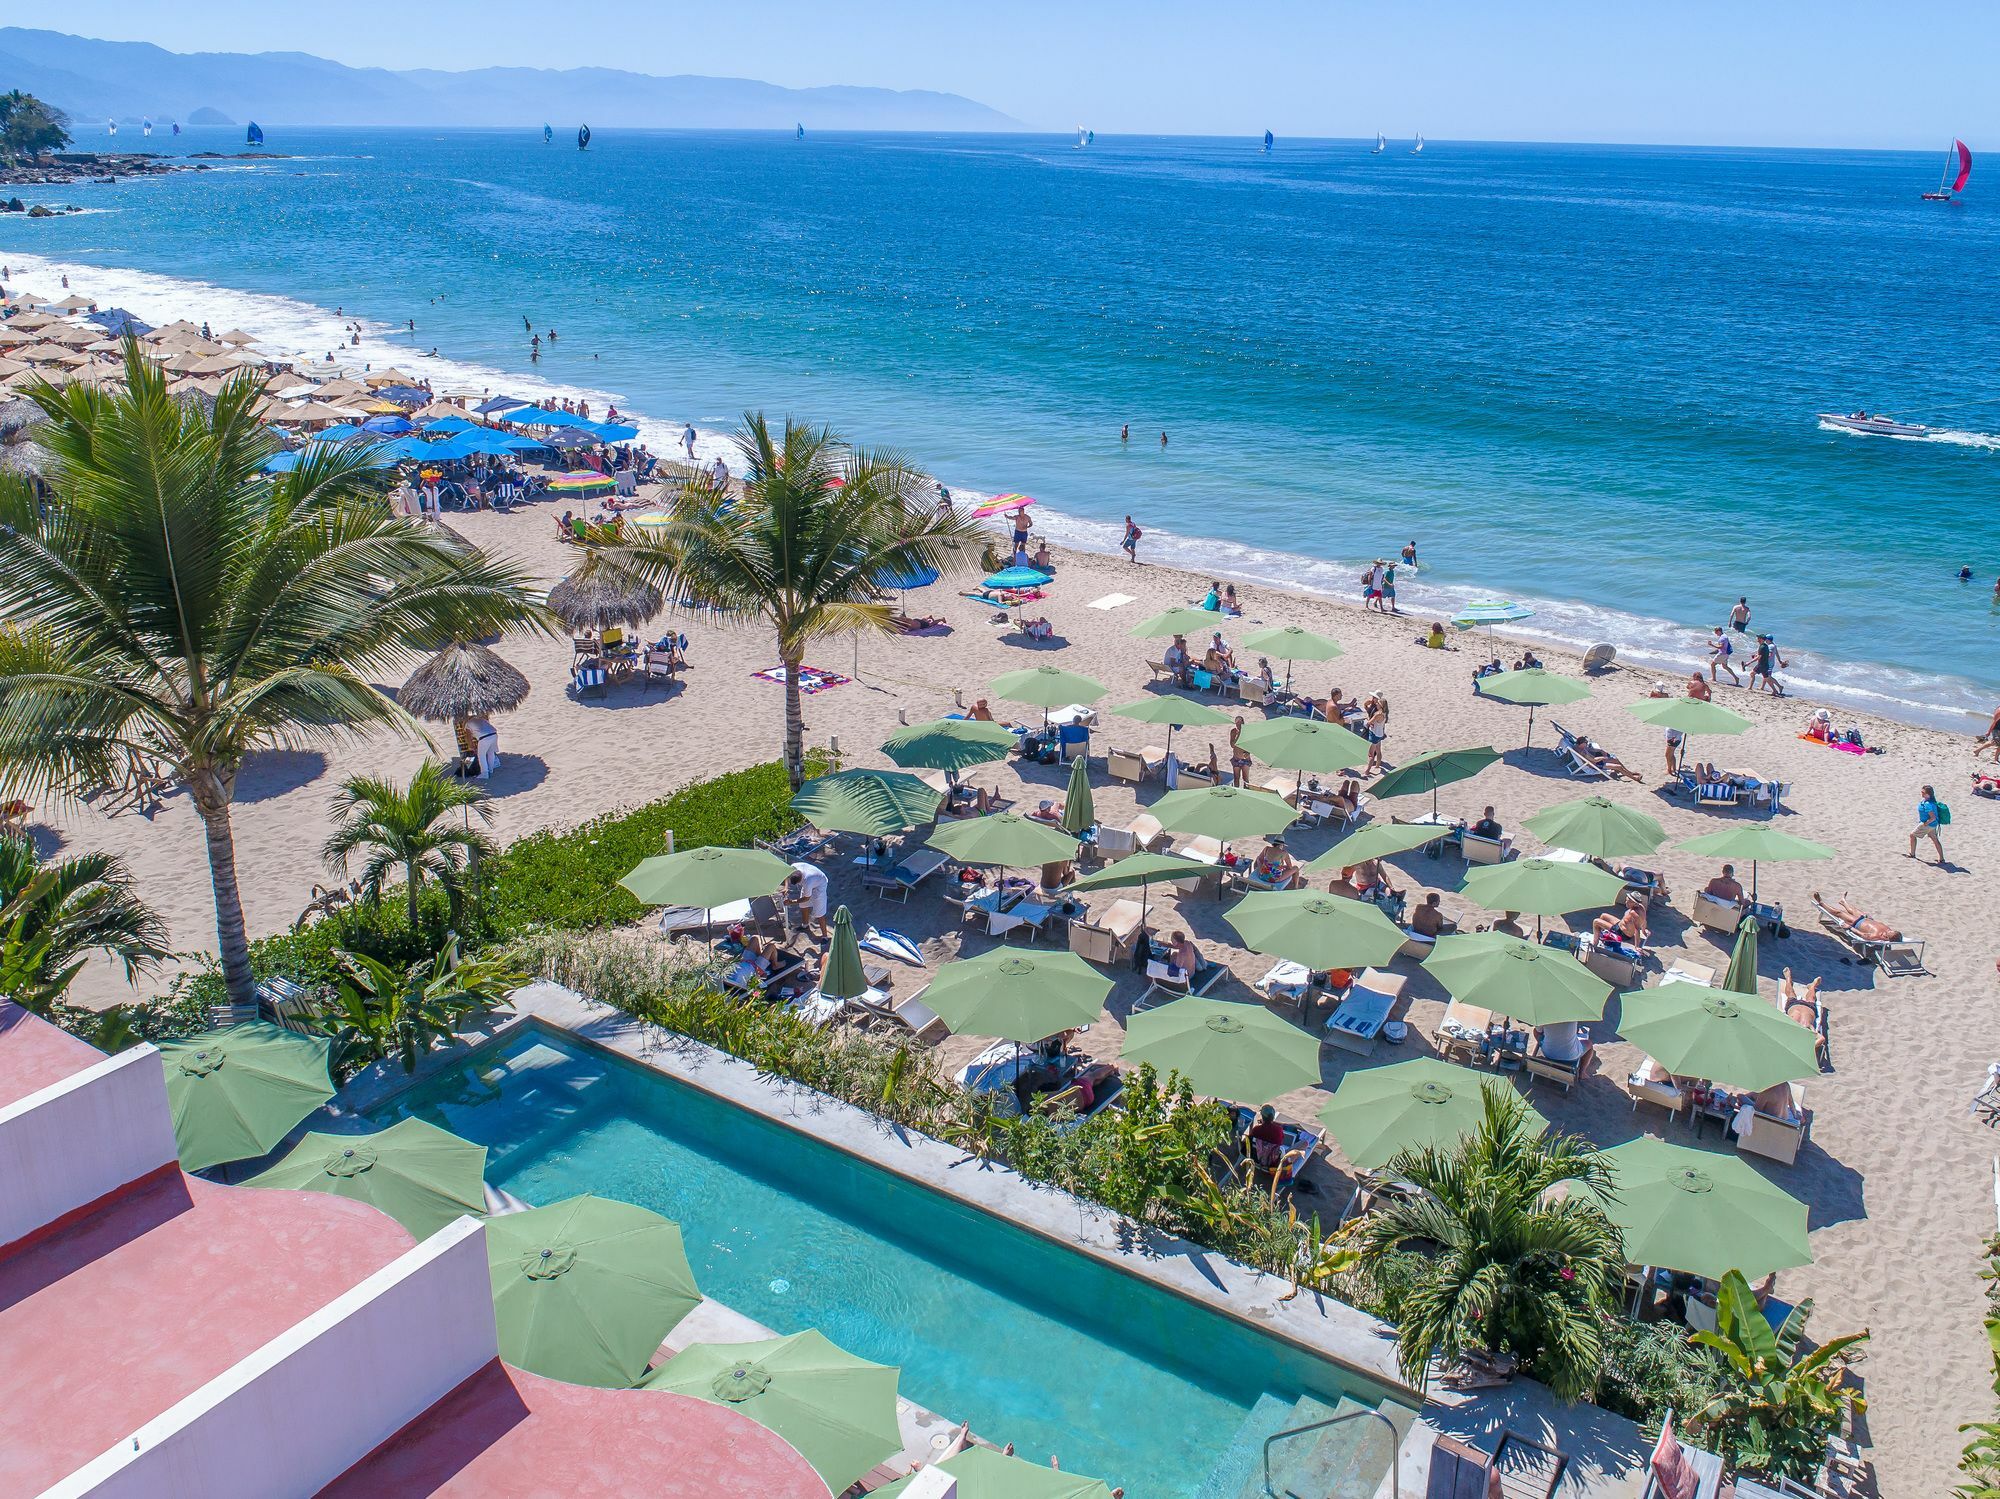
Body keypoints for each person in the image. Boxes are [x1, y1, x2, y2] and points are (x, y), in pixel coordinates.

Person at [1246, 1104, 1288, 1170]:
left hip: (1257, 1159)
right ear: (1273, 1117)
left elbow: (1249, 1139)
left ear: (1262, 1117)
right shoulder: (1278, 1130)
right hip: (1273, 1163)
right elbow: (1281, 1141)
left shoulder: (1256, 1129)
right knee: (1305, 1143)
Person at [1910, 783, 1945, 863]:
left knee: (1912, 835)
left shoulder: (1928, 804)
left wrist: (1925, 824)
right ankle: (1941, 859)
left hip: (1928, 824)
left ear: (1928, 794)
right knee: (1935, 840)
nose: (1921, 793)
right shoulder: (1930, 801)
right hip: (1933, 825)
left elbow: (1932, 817)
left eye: (1923, 792)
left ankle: (1912, 854)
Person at [1364, 695, 1388, 774]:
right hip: (1380, 734)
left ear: (1380, 705)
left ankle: (1367, 771)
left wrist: (1367, 719)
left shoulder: (1378, 714)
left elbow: (1369, 722)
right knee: (1378, 751)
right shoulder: (1385, 714)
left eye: (1378, 703)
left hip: (1374, 734)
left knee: (1371, 754)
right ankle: (1377, 765)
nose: (1376, 704)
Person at [1229, 717, 1253, 788]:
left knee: (1245, 779)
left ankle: (1246, 793)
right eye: (1237, 722)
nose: (1239, 724)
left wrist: (1249, 752)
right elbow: (1232, 745)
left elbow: (1252, 744)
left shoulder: (1247, 732)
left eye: (1240, 722)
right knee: (1236, 778)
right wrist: (1238, 734)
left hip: (1245, 758)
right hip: (1236, 758)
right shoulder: (1233, 731)